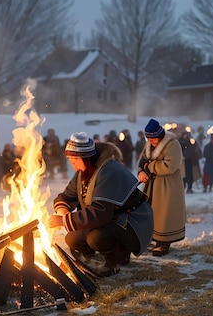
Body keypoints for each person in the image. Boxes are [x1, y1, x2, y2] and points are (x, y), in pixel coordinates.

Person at [47, 132, 153, 277]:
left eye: (75, 160)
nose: (73, 165)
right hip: (108, 220)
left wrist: (64, 220)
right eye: (70, 161)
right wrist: (63, 211)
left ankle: (116, 260)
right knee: (72, 238)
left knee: (96, 237)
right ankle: (91, 260)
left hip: (131, 222)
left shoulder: (109, 171)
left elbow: (101, 213)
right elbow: (66, 197)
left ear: (86, 157)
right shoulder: (83, 171)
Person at [137, 118, 186, 256]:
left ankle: (164, 242)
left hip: (167, 185)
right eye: (148, 139)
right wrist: (141, 171)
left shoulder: (173, 145)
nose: (150, 142)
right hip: (152, 184)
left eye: (152, 139)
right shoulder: (148, 145)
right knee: (151, 212)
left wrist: (150, 166)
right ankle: (152, 238)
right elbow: (142, 160)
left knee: (165, 213)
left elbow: (169, 166)